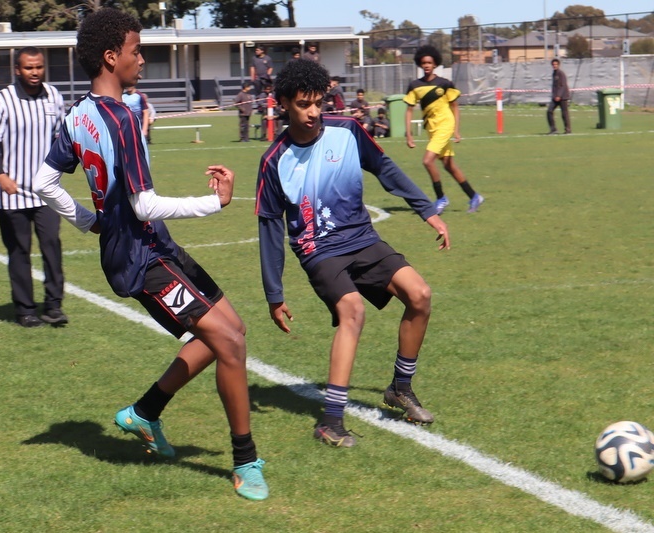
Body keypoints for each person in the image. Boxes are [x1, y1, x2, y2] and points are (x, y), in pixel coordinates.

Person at [31, 7, 268, 501]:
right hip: (141, 259)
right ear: (111, 57)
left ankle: (144, 412)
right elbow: (143, 203)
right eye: (137, 51)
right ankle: (246, 462)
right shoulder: (123, 117)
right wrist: (215, 203)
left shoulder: (77, 115)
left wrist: (88, 219)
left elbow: (43, 181)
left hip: (150, 246)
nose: (143, 58)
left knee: (232, 332)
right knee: (229, 344)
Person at [256, 58, 450, 447]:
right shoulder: (274, 161)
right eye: (303, 104)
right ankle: (330, 421)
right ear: (282, 104)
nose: (313, 112)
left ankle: (400, 387)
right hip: (318, 249)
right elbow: (269, 228)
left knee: (420, 295)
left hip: (362, 238)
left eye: (319, 103)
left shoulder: (347, 132)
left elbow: (386, 168)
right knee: (353, 310)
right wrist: (274, 294)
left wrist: (426, 210)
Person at [0, 46, 68, 328]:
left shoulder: (54, 96)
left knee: (52, 245)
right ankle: (25, 309)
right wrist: (0, 175)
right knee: (19, 251)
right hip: (12, 192)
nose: (35, 72)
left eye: (39, 67)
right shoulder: (2, 100)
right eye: (29, 68)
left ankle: (53, 306)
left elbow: (61, 136)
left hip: (46, 191)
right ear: (17, 70)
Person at [404, 45, 484, 215]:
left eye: (429, 62)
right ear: (420, 64)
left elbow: (455, 107)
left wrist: (456, 130)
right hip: (431, 129)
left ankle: (441, 198)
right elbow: (409, 110)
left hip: (445, 125)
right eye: (423, 62)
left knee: (427, 161)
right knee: (449, 165)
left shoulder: (444, 84)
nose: (426, 65)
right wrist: (409, 135)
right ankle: (474, 196)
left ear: (435, 64)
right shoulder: (414, 86)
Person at [547, 58, 571, 135]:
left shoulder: (561, 73)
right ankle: (553, 129)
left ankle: (568, 129)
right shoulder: (554, 73)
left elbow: (563, 85)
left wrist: (559, 95)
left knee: (564, 114)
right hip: (555, 97)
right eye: (553, 64)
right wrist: (554, 96)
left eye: (556, 64)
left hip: (563, 97)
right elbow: (555, 87)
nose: (554, 66)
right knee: (549, 111)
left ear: (558, 65)